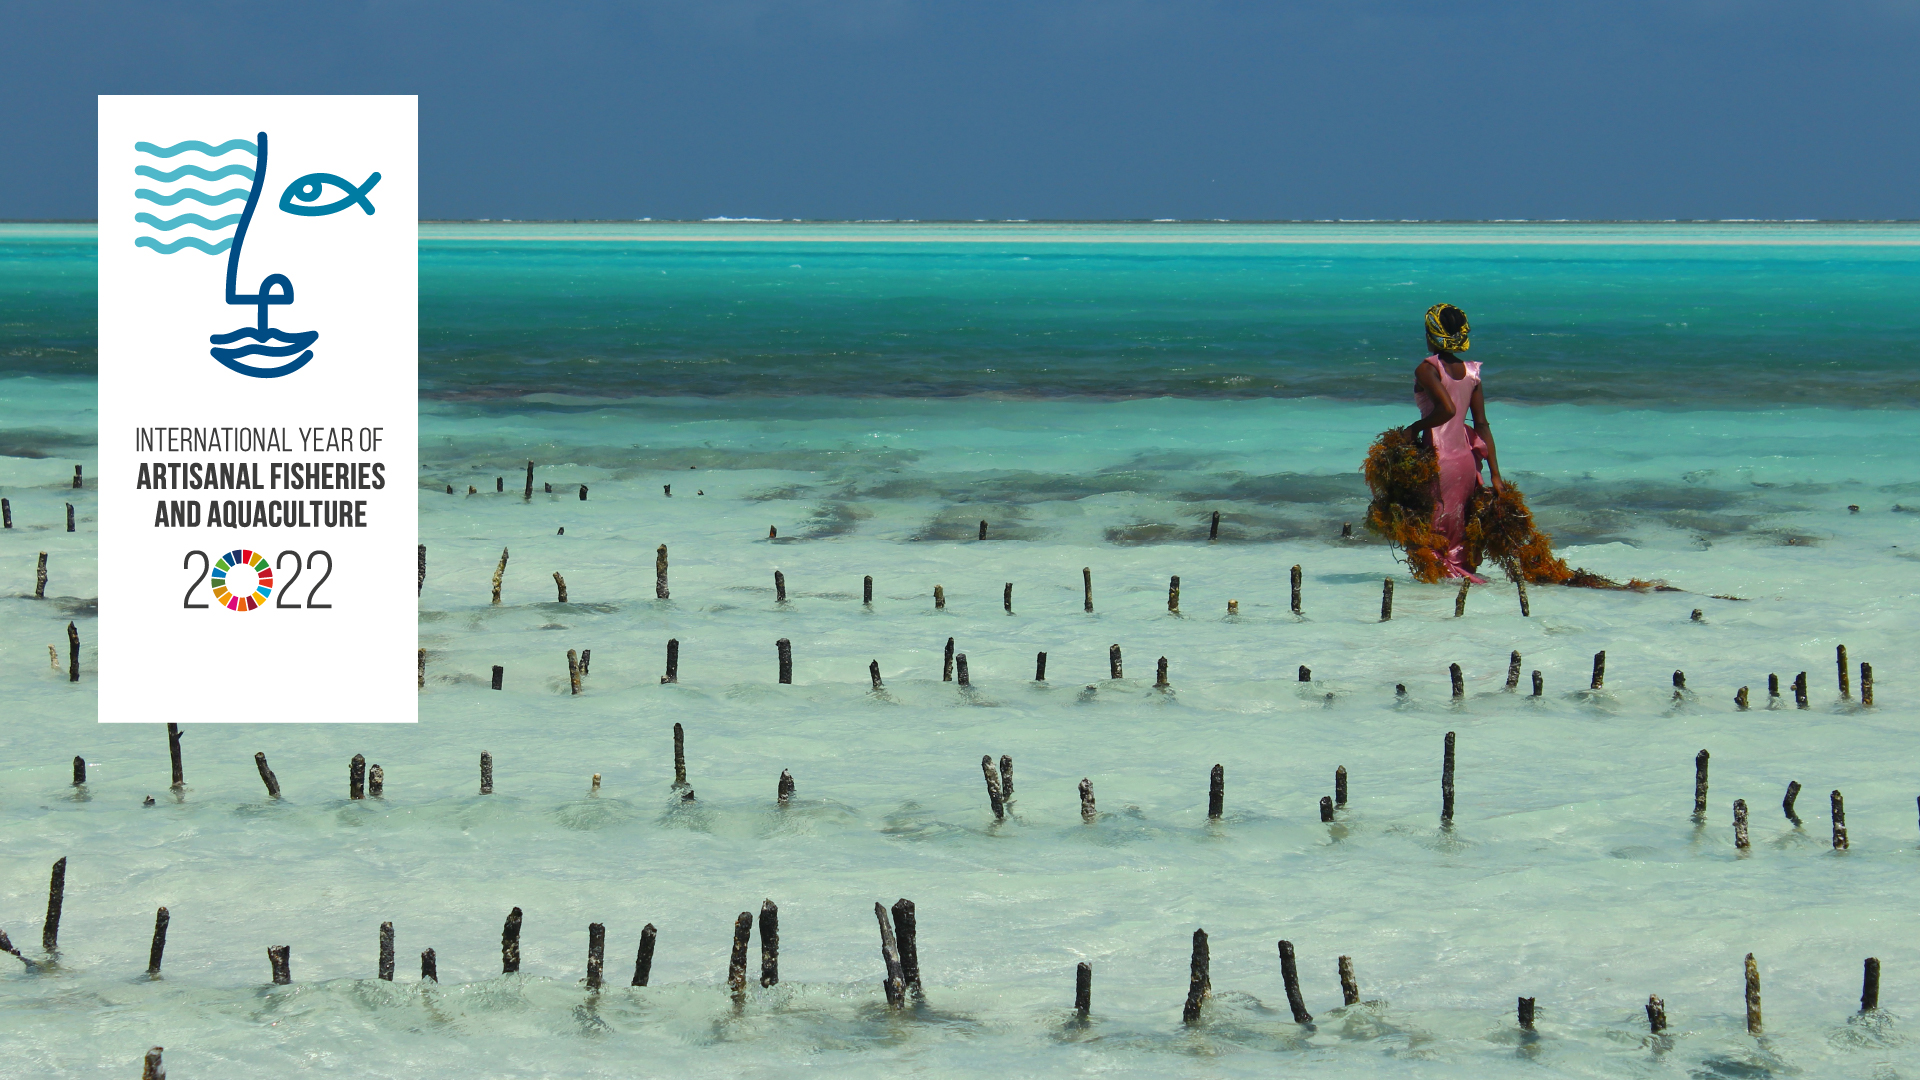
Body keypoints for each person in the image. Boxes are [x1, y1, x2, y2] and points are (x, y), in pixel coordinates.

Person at [1404, 303, 1504, 581]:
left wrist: (1414, 428)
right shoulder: (1472, 372)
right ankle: (1458, 598)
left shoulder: (1427, 369)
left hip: (1439, 458)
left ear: (1430, 334)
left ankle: (1437, 601)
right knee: (1457, 532)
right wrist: (1495, 474)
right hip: (1465, 460)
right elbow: (1481, 425)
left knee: (1432, 533)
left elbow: (1446, 410)